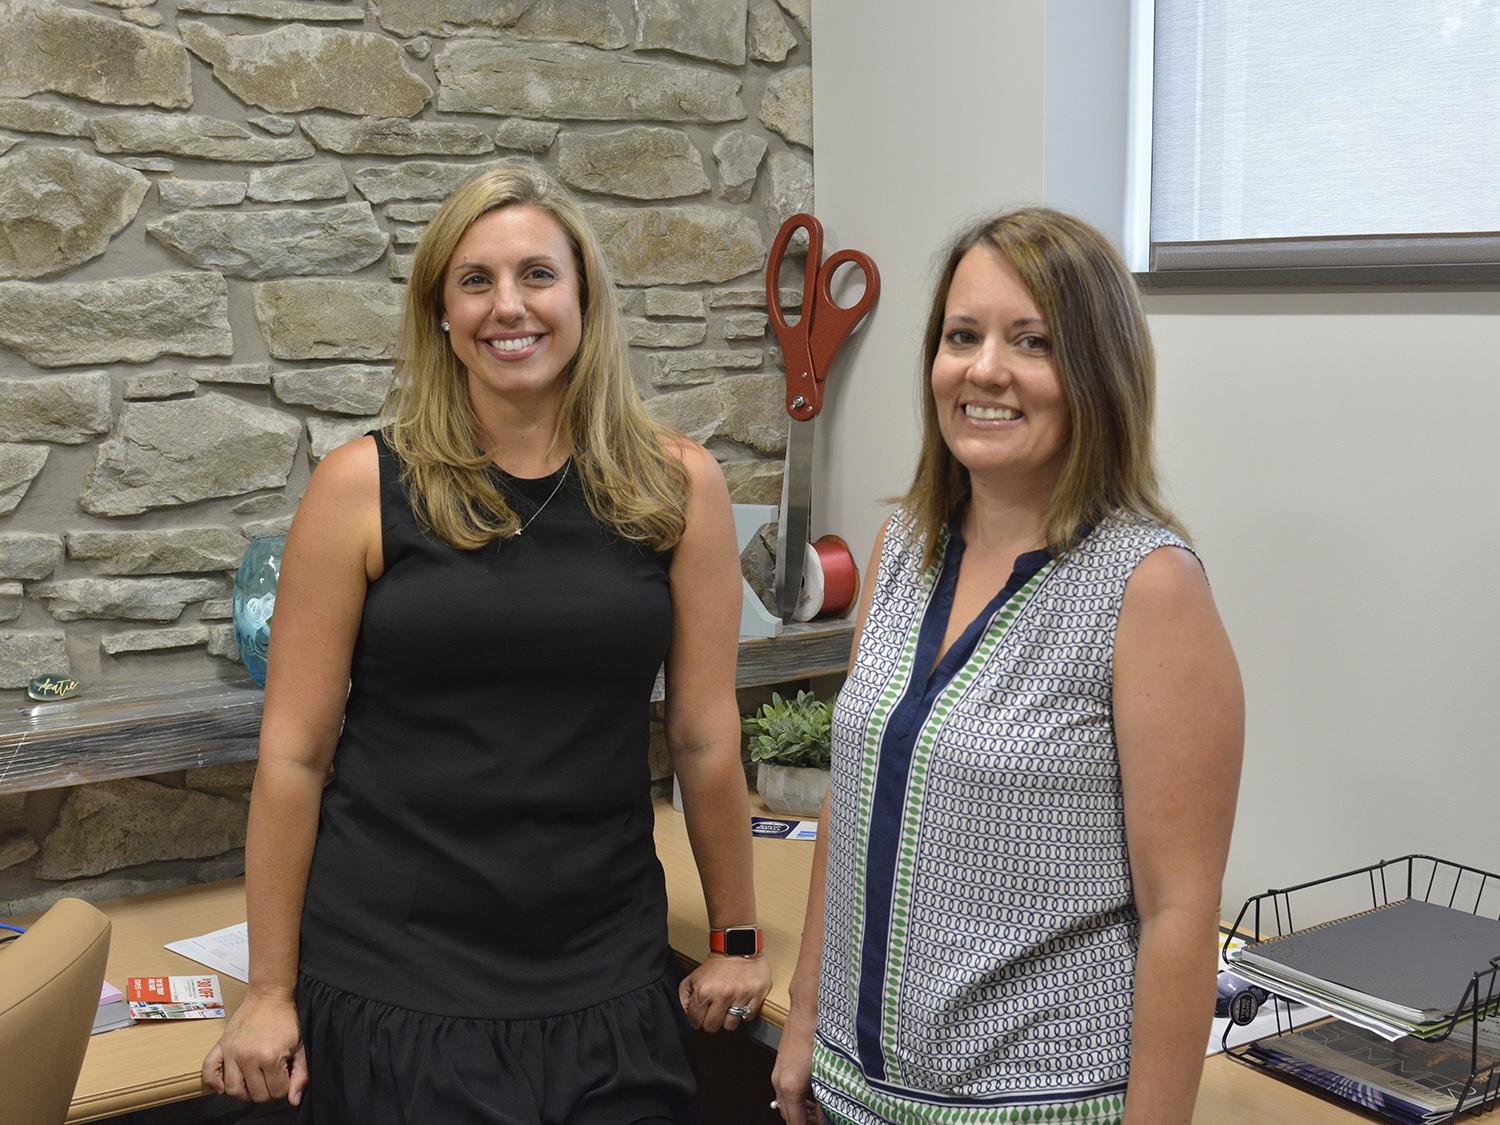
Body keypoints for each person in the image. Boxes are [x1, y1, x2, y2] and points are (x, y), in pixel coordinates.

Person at [203, 161, 771, 1123]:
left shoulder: (677, 487)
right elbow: (294, 756)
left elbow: (709, 740)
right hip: (399, 974)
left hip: (605, 970)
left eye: (538, 275)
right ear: (440, 313)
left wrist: (737, 938)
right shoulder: (359, 488)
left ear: (584, 294)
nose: (510, 306)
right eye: (476, 281)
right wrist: (267, 991)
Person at [770, 209, 1243, 1125]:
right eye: (962, 335)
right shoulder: (904, 549)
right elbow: (852, 799)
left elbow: (1182, 915)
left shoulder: (1147, 589)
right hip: (858, 1095)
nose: (985, 369)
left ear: (1095, 374)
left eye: (1033, 341)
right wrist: (807, 1018)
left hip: (1036, 1106)